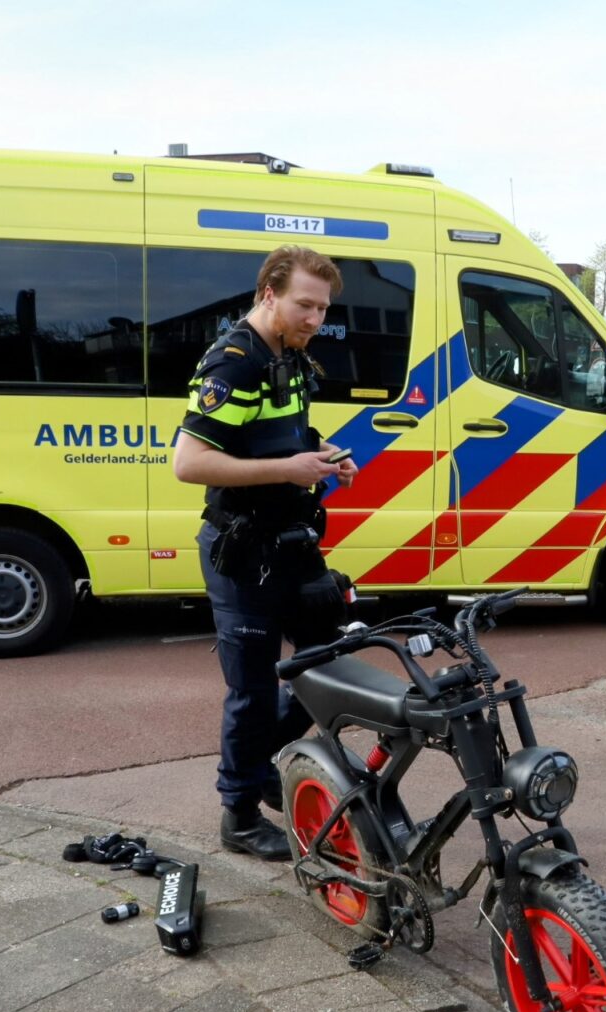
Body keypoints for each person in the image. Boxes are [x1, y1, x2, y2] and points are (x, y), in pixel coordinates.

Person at [172, 245, 358, 859]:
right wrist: (288, 469)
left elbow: (286, 435)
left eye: (323, 309)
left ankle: (262, 765)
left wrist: (326, 456)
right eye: (305, 305)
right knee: (252, 692)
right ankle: (240, 816)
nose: (315, 319)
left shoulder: (290, 353)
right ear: (268, 294)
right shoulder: (234, 363)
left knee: (328, 659)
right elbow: (189, 463)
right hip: (243, 551)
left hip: (292, 542)